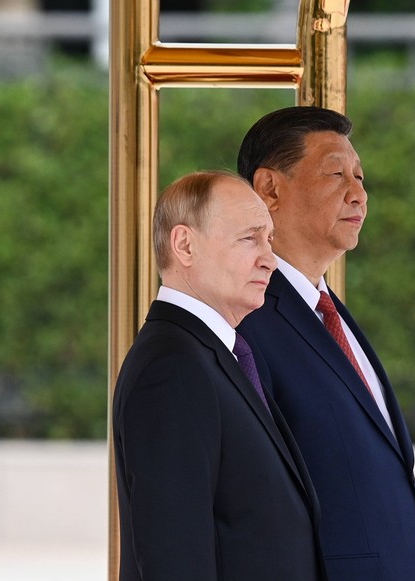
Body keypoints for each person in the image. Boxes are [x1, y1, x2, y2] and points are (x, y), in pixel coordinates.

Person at [236, 106, 415, 581]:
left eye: (360, 176)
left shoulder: (328, 310)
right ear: (269, 188)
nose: (359, 194)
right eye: (336, 173)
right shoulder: (243, 320)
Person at [112, 170, 325, 580]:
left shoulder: (218, 355)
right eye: (250, 238)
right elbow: (173, 556)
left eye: (269, 239)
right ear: (185, 245)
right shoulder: (173, 368)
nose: (270, 258)